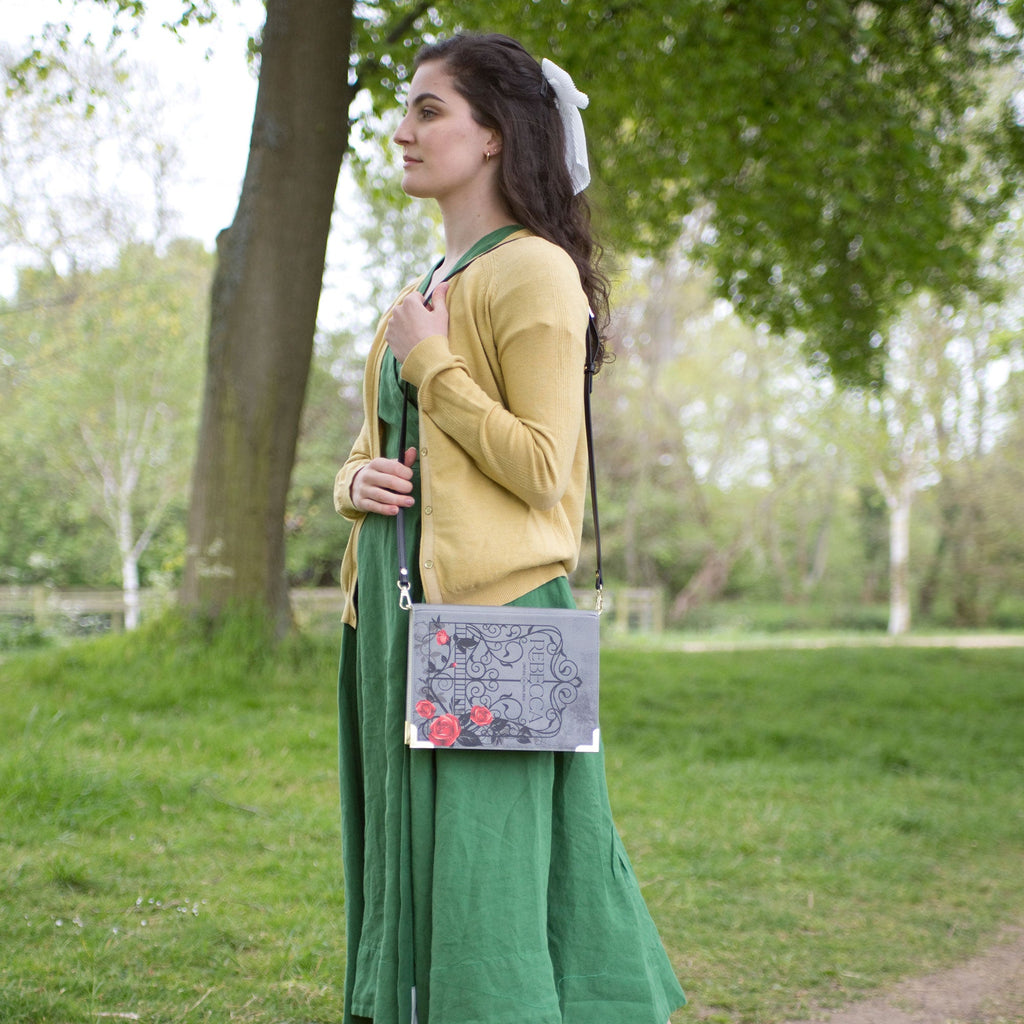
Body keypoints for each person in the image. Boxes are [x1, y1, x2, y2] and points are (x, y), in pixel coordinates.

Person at [333, 32, 686, 1024]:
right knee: (407, 863)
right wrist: (351, 483)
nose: (401, 131)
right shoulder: (425, 288)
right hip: (393, 627)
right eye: (404, 110)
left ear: (493, 135)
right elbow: (378, 450)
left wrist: (433, 364)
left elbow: (543, 472)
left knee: (492, 883)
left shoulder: (532, 273)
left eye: (427, 109)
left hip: (497, 624)